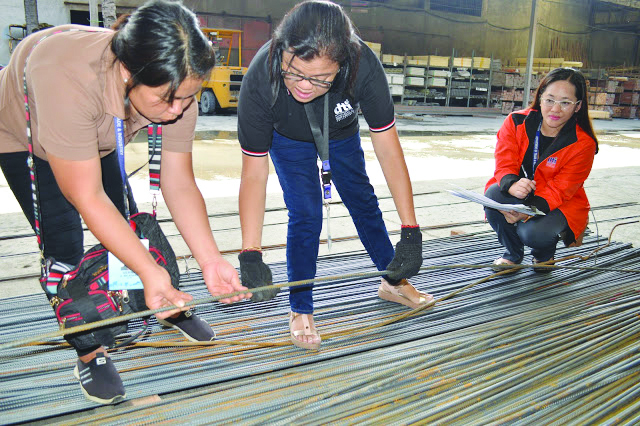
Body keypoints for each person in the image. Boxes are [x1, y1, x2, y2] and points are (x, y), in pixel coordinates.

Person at [0, 0, 249, 405]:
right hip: (28, 134)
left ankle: (158, 303)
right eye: (168, 101)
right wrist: (151, 272)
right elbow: (86, 197)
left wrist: (210, 260)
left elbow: (179, 181)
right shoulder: (67, 77)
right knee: (64, 246)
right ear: (127, 72)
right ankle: (90, 347)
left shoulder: (177, 82)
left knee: (127, 224)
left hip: (98, 129)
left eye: (187, 99)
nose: (177, 111)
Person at [237, 0, 430, 351]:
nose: (304, 86)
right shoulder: (261, 79)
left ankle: (393, 281)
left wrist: (411, 229)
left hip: (339, 129)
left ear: (342, 64)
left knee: (363, 200)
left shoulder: (363, 65)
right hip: (287, 136)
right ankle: (300, 309)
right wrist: (250, 251)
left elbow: (387, 148)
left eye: (321, 78)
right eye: (293, 72)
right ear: (282, 51)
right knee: (306, 213)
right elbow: (253, 173)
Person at [484, 67, 598, 272]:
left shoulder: (583, 143)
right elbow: (504, 161)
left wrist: (525, 213)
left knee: (532, 232)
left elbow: (561, 190)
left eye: (565, 102)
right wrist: (511, 185)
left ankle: (544, 255)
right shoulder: (516, 121)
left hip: (560, 202)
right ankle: (513, 254)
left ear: (578, 106)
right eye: (550, 100)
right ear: (540, 97)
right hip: (523, 191)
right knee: (493, 196)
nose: (555, 109)